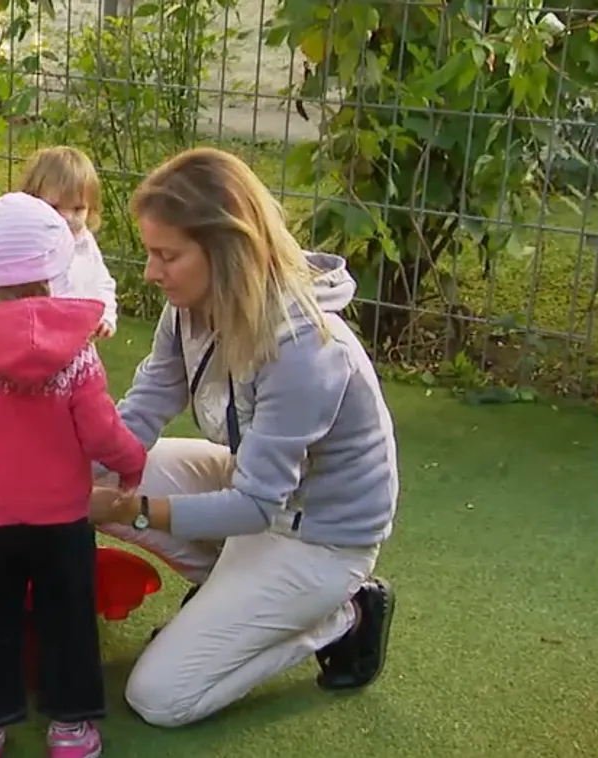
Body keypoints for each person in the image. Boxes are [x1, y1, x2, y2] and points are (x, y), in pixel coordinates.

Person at [87, 146, 399, 728]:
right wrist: (80, 470)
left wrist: (136, 511)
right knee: (94, 482)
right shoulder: (189, 306)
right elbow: (147, 405)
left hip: (320, 539)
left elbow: (257, 505)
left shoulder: (307, 347)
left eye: (167, 255)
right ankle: (232, 603)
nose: (151, 271)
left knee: (158, 697)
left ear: (227, 251)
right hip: (252, 485)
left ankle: (343, 615)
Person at [0, 192, 147, 758]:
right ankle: (69, 727)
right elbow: (101, 431)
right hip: (63, 519)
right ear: (53, 268)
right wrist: (131, 464)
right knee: (67, 618)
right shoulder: (76, 355)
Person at [19, 146, 119, 339]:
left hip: (78, 338)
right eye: (54, 207)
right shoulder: (27, 243)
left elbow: (101, 282)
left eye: (78, 209)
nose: (66, 217)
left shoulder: (84, 242)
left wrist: (105, 316)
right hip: (35, 336)